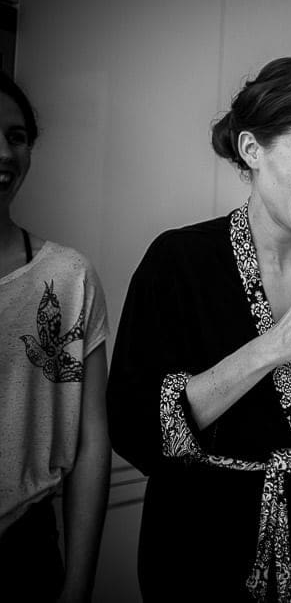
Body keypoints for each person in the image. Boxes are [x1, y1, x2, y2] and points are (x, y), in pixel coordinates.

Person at [107, 58, 291, 603]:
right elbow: (136, 431)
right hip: (196, 532)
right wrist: (274, 345)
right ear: (252, 150)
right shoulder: (177, 262)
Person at [0, 71, 111, 601]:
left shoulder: (67, 278)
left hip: (24, 553)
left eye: (17, 137)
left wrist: (77, 586)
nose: (4, 152)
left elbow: (91, 443)